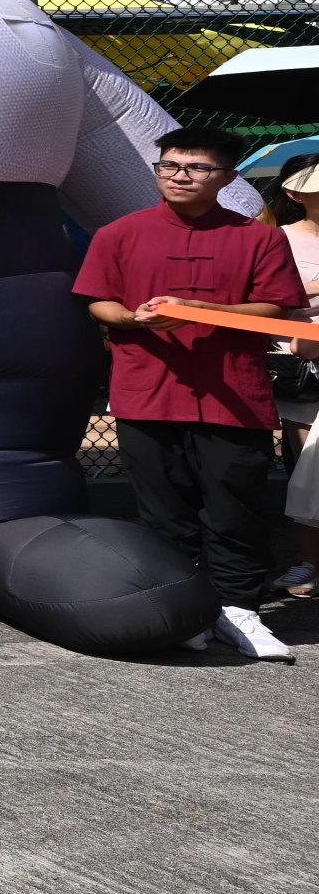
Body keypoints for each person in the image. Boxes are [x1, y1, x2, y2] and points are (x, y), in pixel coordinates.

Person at [76, 125, 303, 660]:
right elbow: (98, 303)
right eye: (170, 166)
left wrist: (198, 311)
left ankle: (238, 610)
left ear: (226, 177)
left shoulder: (260, 237)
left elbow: (276, 308)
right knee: (162, 509)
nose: (180, 176)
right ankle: (182, 611)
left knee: (235, 506)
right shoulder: (118, 233)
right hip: (147, 390)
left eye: (197, 167)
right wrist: (133, 318)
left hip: (235, 394)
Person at [272, 159, 319, 600]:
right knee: (305, 467)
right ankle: (309, 562)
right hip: (302, 366)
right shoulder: (276, 240)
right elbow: (268, 300)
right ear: (295, 194)